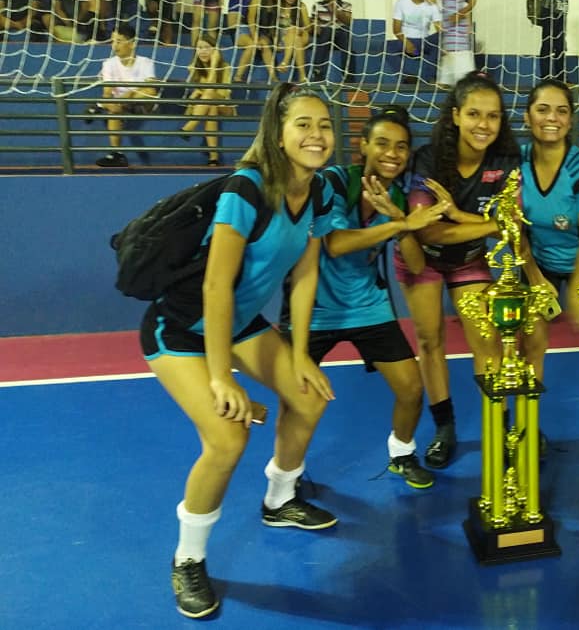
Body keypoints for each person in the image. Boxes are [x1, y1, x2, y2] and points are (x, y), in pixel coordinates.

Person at [143, 82, 339, 617]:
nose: (316, 134)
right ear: (278, 133)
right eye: (303, 123)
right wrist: (221, 377)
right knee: (227, 439)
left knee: (308, 397)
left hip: (238, 323)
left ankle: (280, 499)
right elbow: (213, 287)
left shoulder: (320, 192)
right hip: (182, 327)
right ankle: (188, 560)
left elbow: (305, 274)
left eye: (324, 124)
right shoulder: (246, 189)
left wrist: (299, 354)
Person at [281, 108, 449, 488]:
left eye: (402, 147)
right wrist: (400, 224)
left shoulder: (399, 197)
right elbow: (336, 244)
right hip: (315, 308)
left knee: (410, 387)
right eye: (383, 143)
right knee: (298, 401)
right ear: (364, 146)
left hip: (368, 306)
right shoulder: (334, 182)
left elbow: (418, 264)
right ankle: (285, 480)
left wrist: (401, 224)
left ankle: (402, 454)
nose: (393, 153)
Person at [398, 72, 521, 469]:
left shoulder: (506, 161)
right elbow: (426, 228)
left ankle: (499, 425)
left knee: (487, 341)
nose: (483, 125)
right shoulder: (429, 159)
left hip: (469, 258)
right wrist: (490, 224)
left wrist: (459, 218)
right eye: (474, 114)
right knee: (430, 341)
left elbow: (515, 219)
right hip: (422, 259)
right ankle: (444, 429)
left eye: (493, 116)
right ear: (455, 116)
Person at [516, 79, 579, 455]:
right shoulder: (516, 163)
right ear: (527, 116)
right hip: (536, 262)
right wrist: (537, 280)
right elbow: (514, 229)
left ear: (570, 121)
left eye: (561, 111)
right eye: (543, 109)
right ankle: (527, 429)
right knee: (530, 346)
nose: (551, 118)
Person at [94, 23, 159, 168]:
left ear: (132, 43)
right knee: (112, 108)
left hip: (141, 105)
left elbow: (151, 90)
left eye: (119, 41)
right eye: (112, 41)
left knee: (147, 92)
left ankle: (102, 106)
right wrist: (113, 102)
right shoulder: (108, 64)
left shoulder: (146, 62)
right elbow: (107, 92)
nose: (114, 46)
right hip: (120, 106)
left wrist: (129, 94)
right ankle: (117, 154)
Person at [180, 32, 234, 166]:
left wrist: (214, 64)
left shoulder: (225, 67)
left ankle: (189, 127)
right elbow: (201, 91)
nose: (203, 51)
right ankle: (213, 157)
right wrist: (201, 92)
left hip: (225, 106)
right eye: (199, 48)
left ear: (215, 50)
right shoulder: (194, 67)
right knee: (211, 108)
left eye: (207, 48)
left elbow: (222, 94)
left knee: (210, 95)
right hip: (206, 107)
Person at [392, 0, 441, 84]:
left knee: (441, 38)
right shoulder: (401, 2)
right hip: (406, 39)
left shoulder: (431, 5)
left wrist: (436, 5)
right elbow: (396, 29)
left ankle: (427, 77)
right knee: (385, 47)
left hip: (424, 41)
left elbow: (439, 29)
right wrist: (406, 42)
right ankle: (406, 77)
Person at [234, 0, 280, 83]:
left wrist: (275, 41)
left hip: (261, 32)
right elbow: (250, 19)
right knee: (253, 45)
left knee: (264, 44)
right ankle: (238, 76)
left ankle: (273, 77)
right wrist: (255, 38)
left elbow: (273, 26)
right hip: (245, 28)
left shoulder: (276, 3)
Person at [438, 0, 476, 88]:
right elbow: (452, 19)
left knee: (445, 86)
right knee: (467, 87)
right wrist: (469, 7)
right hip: (458, 50)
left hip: (452, 48)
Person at [309, 0, 352, 82]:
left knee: (344, 32)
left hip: (340, 35)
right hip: (324, 35)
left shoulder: (346, 5)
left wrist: (335, 11)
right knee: (328, 30)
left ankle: (347, 73)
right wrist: (315, 26)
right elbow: (313, 23)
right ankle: (317, 69)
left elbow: (349, 22)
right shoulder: (317, 5)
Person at [277, 0, 311, 83]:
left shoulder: (301, 6)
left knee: (294, 31)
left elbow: (308, 27)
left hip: (301, 34)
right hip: (283, 39)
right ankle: (302, 76)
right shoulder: (277, 7)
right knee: (296, 40)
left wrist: (299, 29)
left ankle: (285, 62)